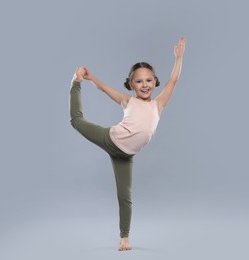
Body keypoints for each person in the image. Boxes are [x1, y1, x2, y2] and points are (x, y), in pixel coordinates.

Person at [69, 37, 185, 251]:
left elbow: (174, 81)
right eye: (139, 81)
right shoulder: (127, 100)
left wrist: (178, 58)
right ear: (131, 84)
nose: (144, 85)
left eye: (149, 80)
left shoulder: (158, 105)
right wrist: (88, 77)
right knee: (76, 121)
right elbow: (103, 89)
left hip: (126, 156)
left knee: (125, 197)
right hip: (110, 138)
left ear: (155, 82)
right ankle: (74, 84)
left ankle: (125, 238)